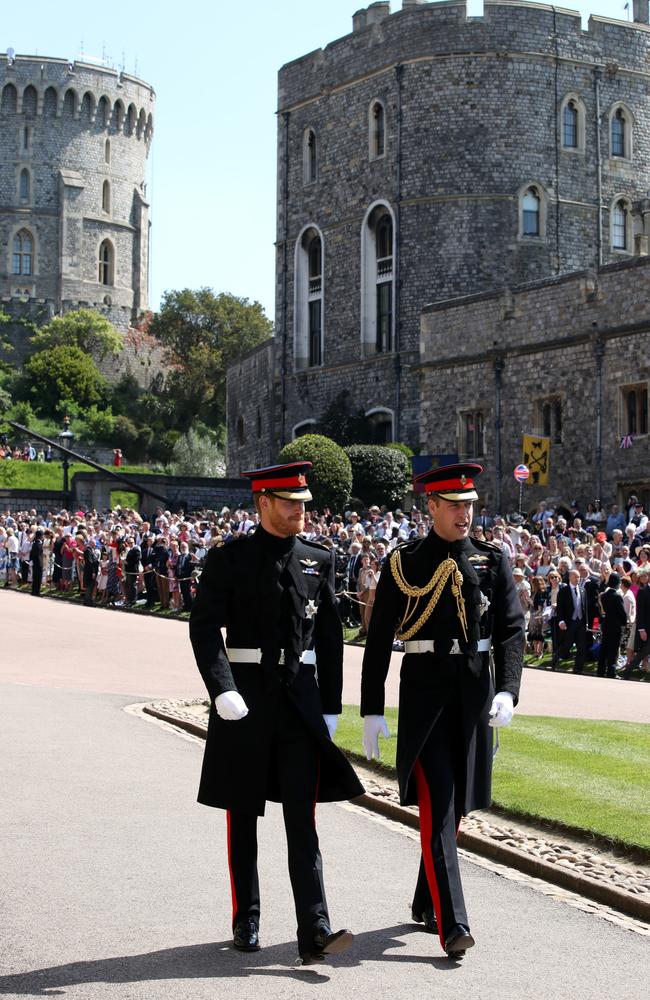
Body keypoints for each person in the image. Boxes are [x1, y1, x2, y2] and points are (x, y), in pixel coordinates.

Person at [189, 461, 363, 965]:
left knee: (301, 819)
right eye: (289, 502)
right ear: (262, 502)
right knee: (242, 811)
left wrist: (330, 706)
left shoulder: (317, 558)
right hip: (244, 699)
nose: (300, 510)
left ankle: (316, 926)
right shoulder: (231, 560)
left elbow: (330, 638)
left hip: (298, 703)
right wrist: (221, 688)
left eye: (303, 502)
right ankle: (247, 916)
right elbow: (204, 629)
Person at [360, 463, 524, 959]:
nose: (465, 514)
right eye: (454, 505)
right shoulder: (403, 562)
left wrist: (509, 690)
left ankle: (424, 896)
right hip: (426, 694)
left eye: (470, 505)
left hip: (475, 692)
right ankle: (454, 924)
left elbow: (512, 630)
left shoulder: (492, 559)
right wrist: (371, 707)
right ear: (430, 506)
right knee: (440, 802)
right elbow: (378, 639)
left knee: (455, 811)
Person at [553, 568, 588, 673]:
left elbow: (585, 607)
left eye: (579, 577)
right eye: (575, 576)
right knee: (566, 645)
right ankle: (555, 661)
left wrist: (586, 622)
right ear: (570, 577)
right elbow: (560, 608)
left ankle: (578, 668)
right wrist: (561, 621)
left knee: (581, 646)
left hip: (580, 622)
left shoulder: (583, 590)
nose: (578, 579)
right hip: (569, 622)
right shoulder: (564, 591)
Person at [597, 572, 627, 678]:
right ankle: (611, 671)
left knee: (604, 647)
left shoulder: (604, 595)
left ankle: (600, 670)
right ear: (617, 583)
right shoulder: (617, 596)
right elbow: (622, 613)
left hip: (606, 624)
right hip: (615, 625)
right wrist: (624, 622)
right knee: (613, 649)